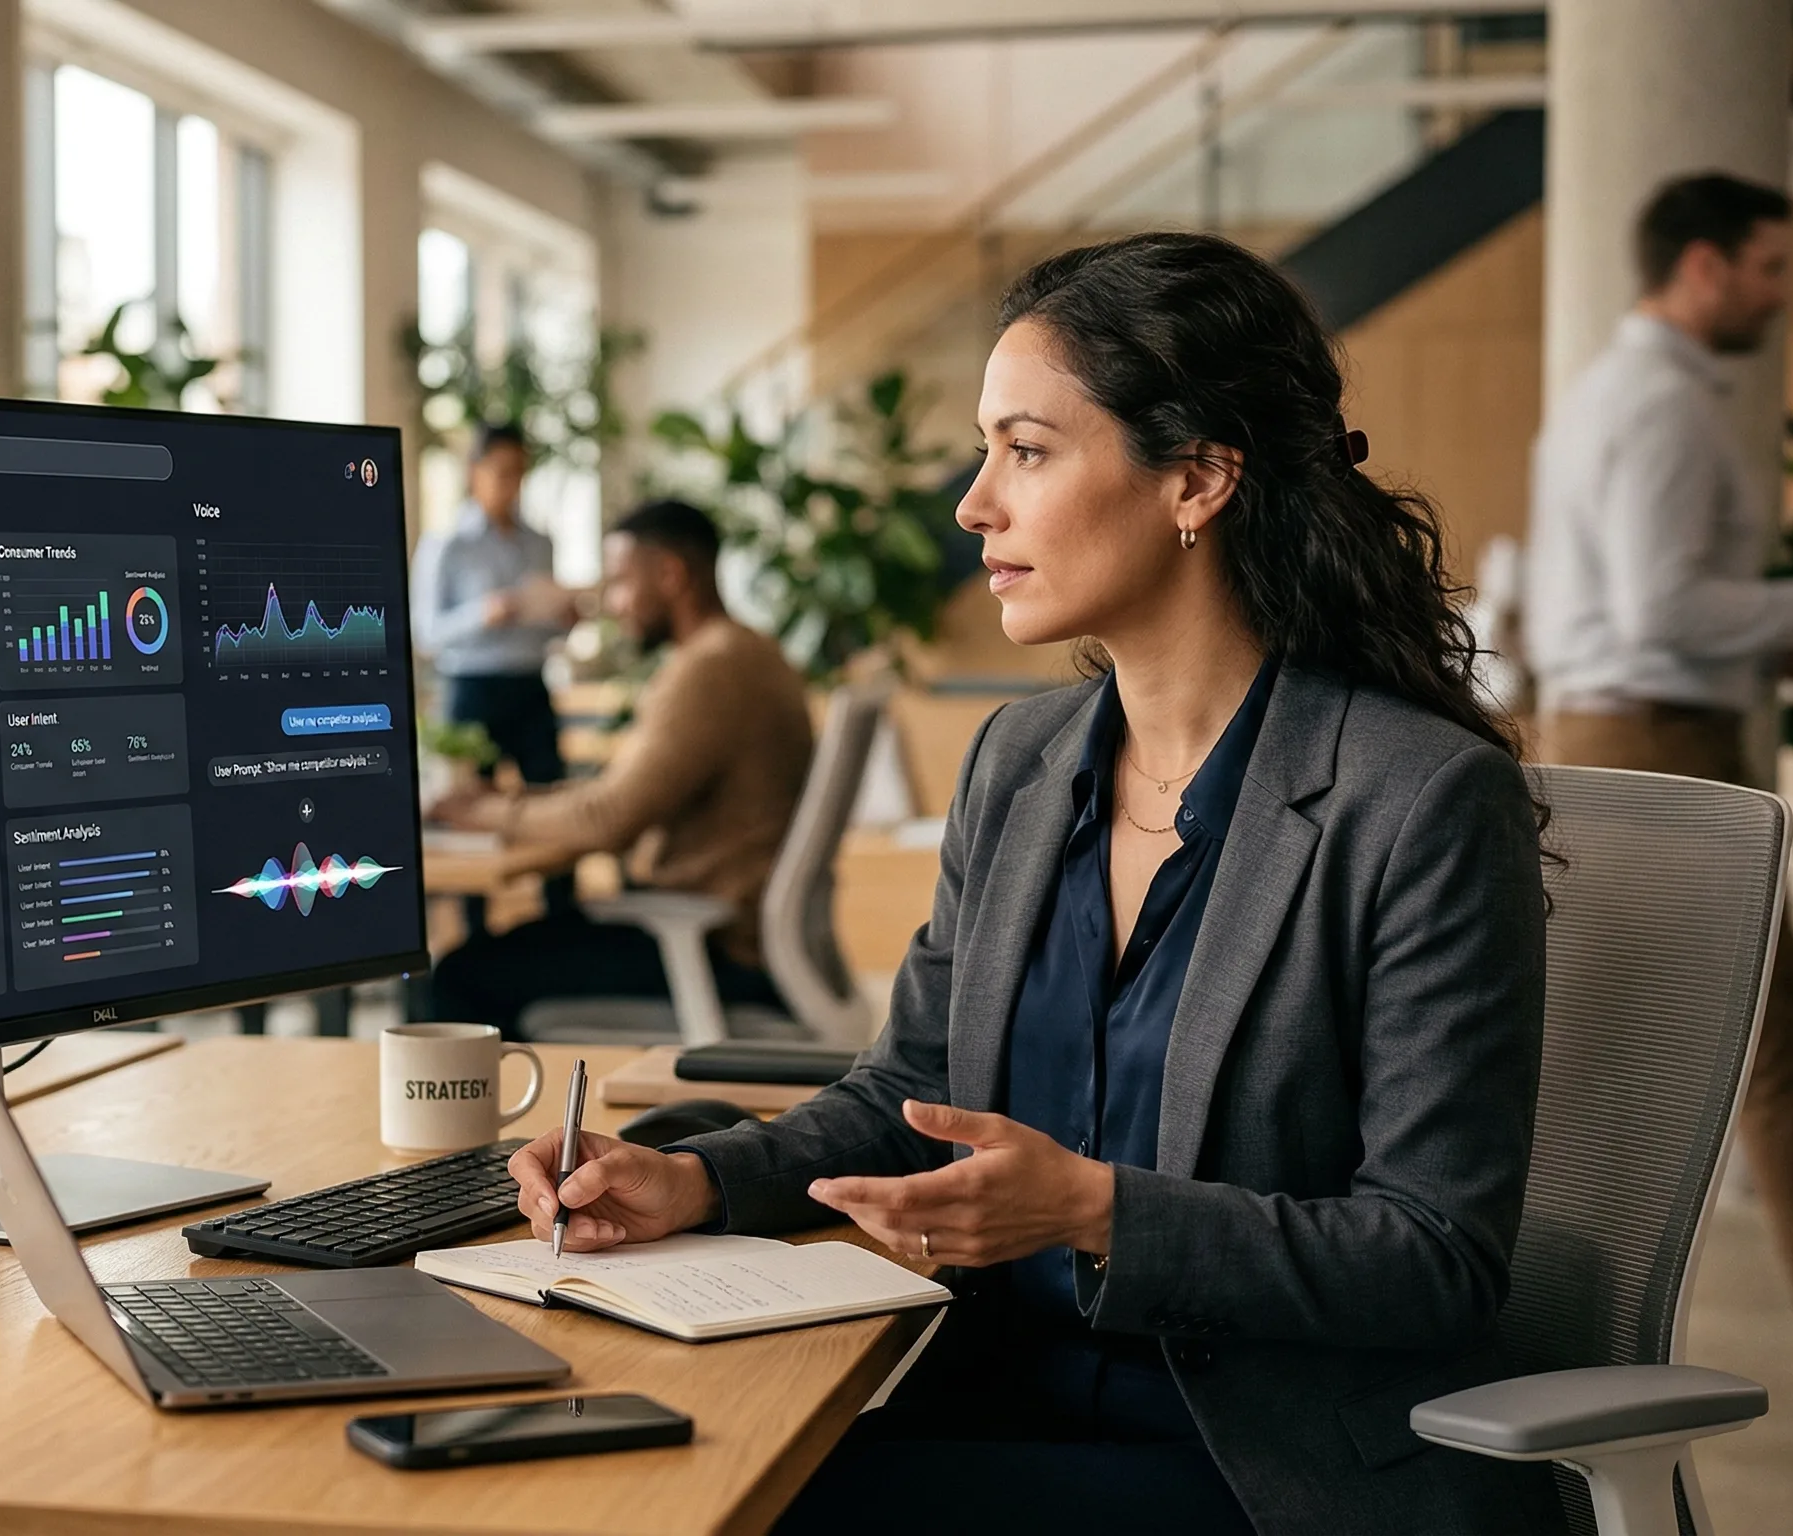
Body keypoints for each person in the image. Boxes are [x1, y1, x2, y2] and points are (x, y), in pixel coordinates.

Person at [506, 234, 1564, 1534]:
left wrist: (1100, 1213)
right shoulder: (1022, 764)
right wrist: (699, 1182)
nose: (974, 504)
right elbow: (909, 1095)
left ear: (1198, 478)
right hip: (987, 1397)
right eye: (985, 449)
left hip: (1256, 1465)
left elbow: (1435, 1260)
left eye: (1028, 449)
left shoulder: (1419, 803)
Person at [1526, 171, 1793, 1431]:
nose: (1777, 291)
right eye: (1766, 265)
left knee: (1604, 1057)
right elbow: (1659, 614)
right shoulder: (1662, 406)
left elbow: (1646, 605)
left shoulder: (1614, 391)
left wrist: (1786, 648)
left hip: (1620, 721)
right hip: (1657, 737)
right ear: (1700, 266)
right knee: (1781, 1063)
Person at [421, 500, 813, 1038]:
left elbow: (609, 817)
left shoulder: (712, 669)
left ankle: (506, 1122)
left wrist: (487, 810)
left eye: (623, 582)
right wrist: (515, 805)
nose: (613, 603)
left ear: (671, 575)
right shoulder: (747, 652)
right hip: (724, 931)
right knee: (503, 953)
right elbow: (619, 793)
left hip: (708, 946)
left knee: (462, 975)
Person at [411, 423, 576, 790]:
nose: (511, 482)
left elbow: (547, 626)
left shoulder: (540, 542)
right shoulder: (446, 545)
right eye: (502, 471)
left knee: (549, 795)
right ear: (475, 471)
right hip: (472, 691)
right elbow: (426, 632)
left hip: (531, 687)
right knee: (466, 802)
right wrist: (482, 614)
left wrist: (564, 618)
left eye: (519, 472)